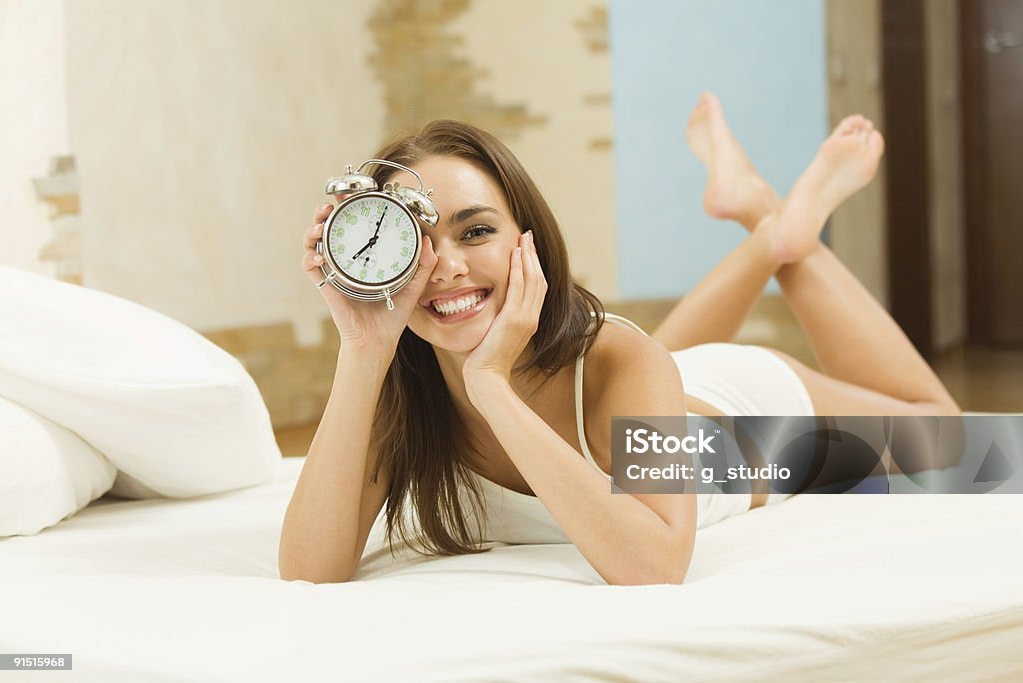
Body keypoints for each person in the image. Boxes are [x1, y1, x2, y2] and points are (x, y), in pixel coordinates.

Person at [279, 94, 960, 586]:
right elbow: (310, 569)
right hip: (642, 402)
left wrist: (491, 386)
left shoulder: (619, 360)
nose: (447, 266)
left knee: (954, 441)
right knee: (634, 384)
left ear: (528, 240)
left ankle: (779, 233)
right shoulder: (404, 392)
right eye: (417, 244)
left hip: (735, 426)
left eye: (476, 230)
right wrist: (363, 350)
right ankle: (762, 222)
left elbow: (657, 564)